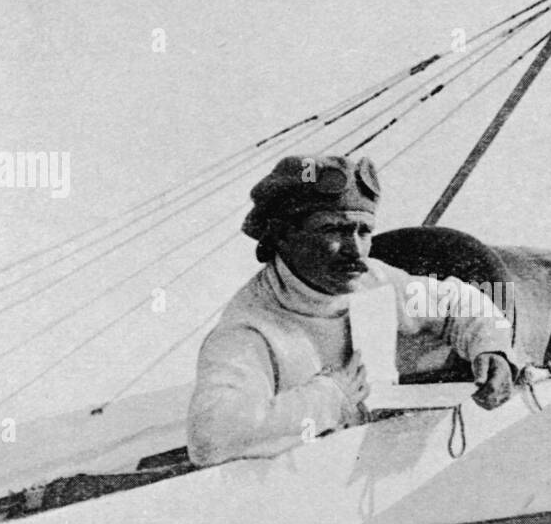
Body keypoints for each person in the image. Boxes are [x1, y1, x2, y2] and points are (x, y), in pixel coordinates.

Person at [187, 154, 521, 465]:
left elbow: (457, 302)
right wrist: (331, 397)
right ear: (285, 234)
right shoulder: (249, 330)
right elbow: (211, 436)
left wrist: (490, 347)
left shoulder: (371, 281)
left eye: (364, 232)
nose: (356, 251)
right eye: (334, 230)